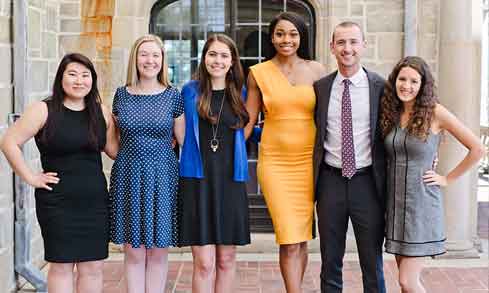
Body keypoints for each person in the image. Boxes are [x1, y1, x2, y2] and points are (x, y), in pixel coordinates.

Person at [0, 53, 118, 293]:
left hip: (94, 202)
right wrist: (30, 177)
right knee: (62, 266)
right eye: (72, 74)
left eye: (85, 75)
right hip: (57, 203)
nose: (79, 81)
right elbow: (9, 141)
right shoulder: (43, 110)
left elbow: (115, 151)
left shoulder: (101, 113)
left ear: (92, 80)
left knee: (92, 266)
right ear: (61, 78)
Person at [380, 56, 485, 293]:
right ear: (394, 81)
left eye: (414, 81)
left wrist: (447, 178)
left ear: (423, 85)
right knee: (405, 283)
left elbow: (477, 148)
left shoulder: (435, 112)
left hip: (422, 206)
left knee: (408, 280)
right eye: (402, 79)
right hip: (395, 207)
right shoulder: (392, 112)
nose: (406, 85)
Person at [245, 12, 326, 292]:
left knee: (301, 237)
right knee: (289, 237)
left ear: (301, 36)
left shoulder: (318, 70)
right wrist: (218, 151)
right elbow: (248, 120)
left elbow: (332, 116)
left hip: (309, 163)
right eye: (280, 34)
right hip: (275, 163)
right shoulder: (258, 73)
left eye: (292, 34)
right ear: (272, 37)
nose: (286, 39)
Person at [313, 21, 387, 293]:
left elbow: (403, 125)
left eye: (354, 42)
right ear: (332, 47)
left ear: (363, 45)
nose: (348, 49)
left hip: (367, 183)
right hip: (330, 181)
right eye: (341, 42)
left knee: (372, 261)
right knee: (330, 260)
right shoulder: (321, 88)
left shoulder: (380, 86)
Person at [109, 34, 185, 293]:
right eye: (144, 54)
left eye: (155, 55)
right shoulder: (121, 95)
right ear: (135, 58)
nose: (149, 60)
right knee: (133, 252)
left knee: (157, 252)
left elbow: (183, 140)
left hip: (163, 176)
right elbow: (112, 142)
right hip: (128, 176)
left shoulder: (173, 96)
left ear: (162, 60)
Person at [178, 33, 250, 293]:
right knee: (204, 264)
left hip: (230, 182)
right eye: (212, 54)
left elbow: (255, 128)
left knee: (226, 260)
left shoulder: (242, 92)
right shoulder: (189, 91)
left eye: (223, 55)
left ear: (232, 61)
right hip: (197, 182)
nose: (217, 60)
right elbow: (177, 131)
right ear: (204, 58)